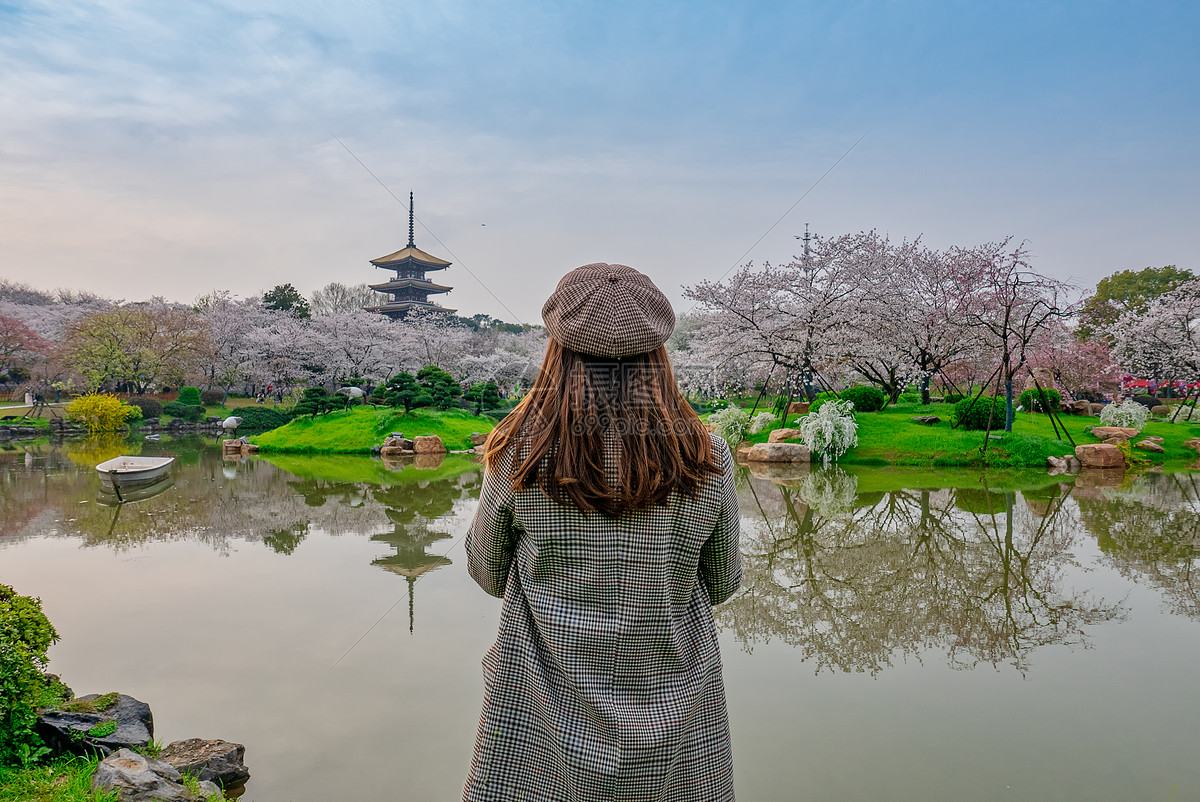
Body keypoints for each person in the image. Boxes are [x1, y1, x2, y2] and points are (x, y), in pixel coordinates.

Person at [464, 263, 742, 802]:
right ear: (657, 357)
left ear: (558, 355)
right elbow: (723, 581)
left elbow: (488, 571)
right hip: (677, 707)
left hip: (539, 714)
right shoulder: (706, 455)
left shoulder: (520, 453)